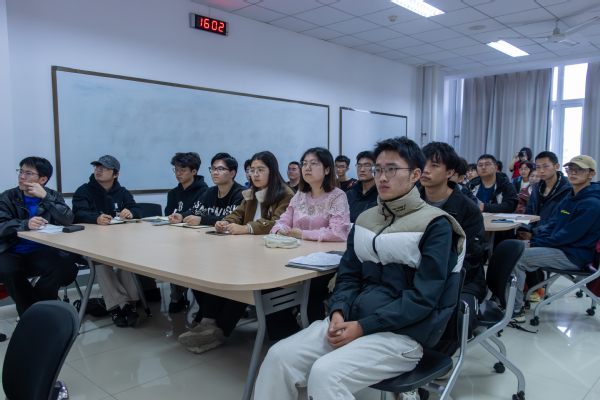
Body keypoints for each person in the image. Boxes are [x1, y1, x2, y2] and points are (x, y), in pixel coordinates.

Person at [254, 136, 466, 400]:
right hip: (351, 319)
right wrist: (338, 311)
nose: (382, 177)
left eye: (392, 169)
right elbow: (348, 276)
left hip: (402, 334)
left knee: (325, 373)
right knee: (278, 356)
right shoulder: (365, 220)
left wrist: (364, 326)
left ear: (415, 175)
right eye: (379, 169)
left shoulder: (436, 225)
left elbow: (425, 297)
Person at [178, 151, 295, 354]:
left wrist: (246, 228)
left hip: (272, 257)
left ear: (272, 171)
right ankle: (208, 323)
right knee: (218, 268)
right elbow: (237, 214)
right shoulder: (251, 192)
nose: (254, 174)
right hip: (250, 253)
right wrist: (225, 223)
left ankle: (217, 331)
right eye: (252, 170)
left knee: (241, 280)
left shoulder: (285, 194)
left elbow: (276, 223)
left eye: (260, 170)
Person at [512, 155, 600, 323]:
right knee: (511, 247)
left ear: (591, 174)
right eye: (570, 169)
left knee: (516, 258)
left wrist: (534, 244)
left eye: (579, 170)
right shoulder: (570, 197)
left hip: (574, 255)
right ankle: (506, 299)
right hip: (560, 248)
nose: (573, 173)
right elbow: (553, 225)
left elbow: (568, 235)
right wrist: (533, 241)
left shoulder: (592, 203)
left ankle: (515, 311)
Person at [274, 147, 351, 322]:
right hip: (295, 256)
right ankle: (287, 331)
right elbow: (284, 219)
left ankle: (312, 330)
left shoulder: (337, 196)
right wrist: (279, 230)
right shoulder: (300, 195)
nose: (307, 168)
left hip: (324, 263)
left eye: (313, 163)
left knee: (310, 290)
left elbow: (338, 233)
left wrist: (302, 234)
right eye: (304, 164)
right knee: (271, 285)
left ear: (327, 169)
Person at [419, 142, 486, 334]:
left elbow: (471, 257)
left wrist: (436, 282)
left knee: (453, 321)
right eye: (423, 164)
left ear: (450, 172)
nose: (425, 170)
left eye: (434, 165)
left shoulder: (467, 208)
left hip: (461, 280)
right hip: (417, 276)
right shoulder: (411, 201)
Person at [0, 157, 78, 317]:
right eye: (21, 171)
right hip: (11, 250)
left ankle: (33, 314)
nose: (22, 176)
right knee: (9, 271)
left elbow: (68, 219)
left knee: (66, 267)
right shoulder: (8, 197)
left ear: (43, 179)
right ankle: (38, 317)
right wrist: (25, 224)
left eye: (28, 173)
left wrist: (46, 198)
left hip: (41, 250)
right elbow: (1, 225)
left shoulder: (52, 195)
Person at [72, 155, 144, 327]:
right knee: (100, 261)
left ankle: (124, 305)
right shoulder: (83, 190)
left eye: (104, 168)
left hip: (119, 242)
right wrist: (95, 218)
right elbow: (78, 214)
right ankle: (122, 305)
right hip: (92, 244)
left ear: (115, 174)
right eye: (97, 167)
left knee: (128, 261)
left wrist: (131, 213)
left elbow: (137, 209)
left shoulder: (122, 192)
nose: (99, 170)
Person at [161, 152, 208, 313]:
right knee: (174, 256)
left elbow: (200, 212)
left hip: (197, 237)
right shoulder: (173, 193)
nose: (178, 174)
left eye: (182, 170)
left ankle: (186, 297)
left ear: (194, 171)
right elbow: (168, 213)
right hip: (176, 236)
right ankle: (177, 296)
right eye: (176, 170)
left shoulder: (204, 191)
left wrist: (182, 217)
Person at [171, 152, 244, 227]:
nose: (215, 172)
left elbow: (232, 218)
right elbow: (195, 211)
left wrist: (202, 220)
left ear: (232, 173)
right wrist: (182, 216)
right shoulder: (210, 192)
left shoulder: (241, 193)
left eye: (220, 169)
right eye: (213, 169)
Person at [518, 151, 572, 239]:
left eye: (545, 166)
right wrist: (525, 229)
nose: (541, 171)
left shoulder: (568, 189)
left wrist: (533, 233)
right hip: (533, 234)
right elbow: (529, 214)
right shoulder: (536, 188)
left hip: (553, 237)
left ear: (556, 166)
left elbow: (561, 221)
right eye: (538, 167)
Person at [345, 151, 378, 223]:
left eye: (367, 165)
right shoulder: (349, 194)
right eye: (359, 166)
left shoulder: (382, 194)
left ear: (376, 168)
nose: (362, 169)